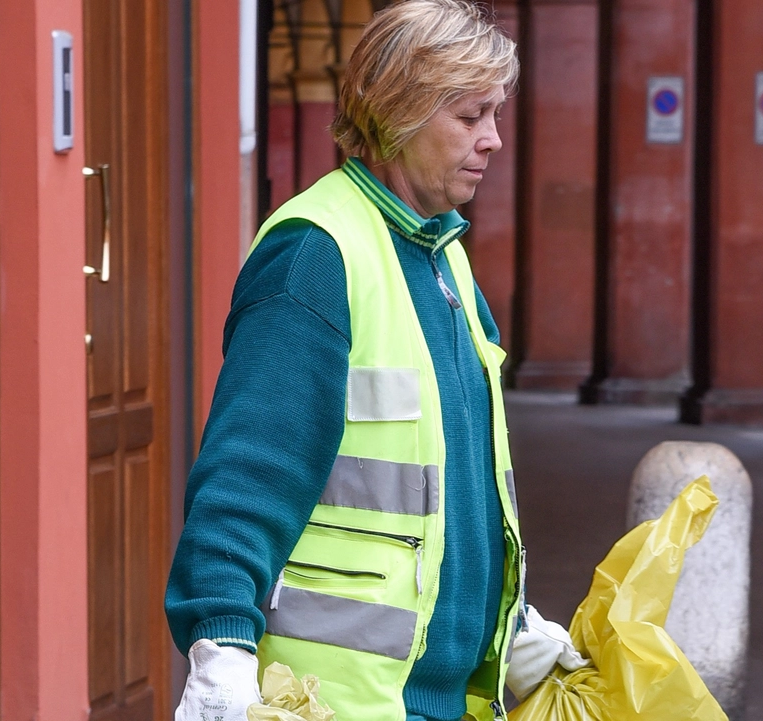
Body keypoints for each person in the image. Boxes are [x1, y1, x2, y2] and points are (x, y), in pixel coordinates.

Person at [165, 2, 587, 720]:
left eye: (496, 114)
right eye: (470, 115)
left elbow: (455, 489)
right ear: (400, 110)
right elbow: (246, 472)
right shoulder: (315, 254)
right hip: (341, 701)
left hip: (444, 700)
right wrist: (221, 644)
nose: (493, 140)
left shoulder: (443, 255)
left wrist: (513, 628)